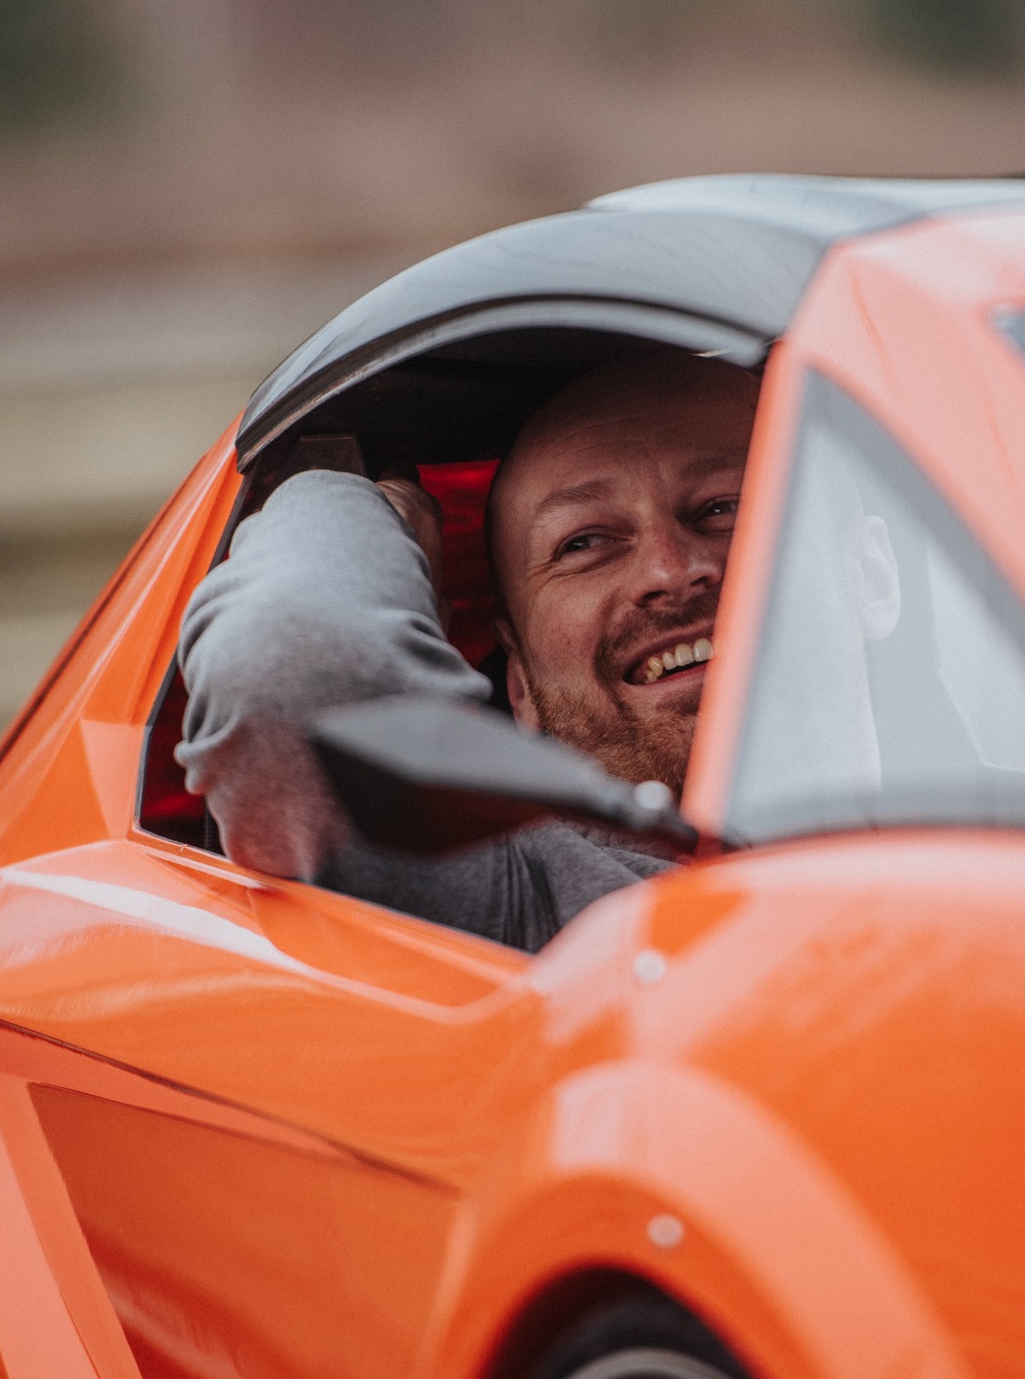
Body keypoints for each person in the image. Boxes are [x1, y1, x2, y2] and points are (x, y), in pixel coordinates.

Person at [177, 352, 759, 952]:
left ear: (865, 567)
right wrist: (389, 507)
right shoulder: (522, 905)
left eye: (724, 507)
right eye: (584, 542)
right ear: (519, 686)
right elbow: (287, 664)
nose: (670, 570)